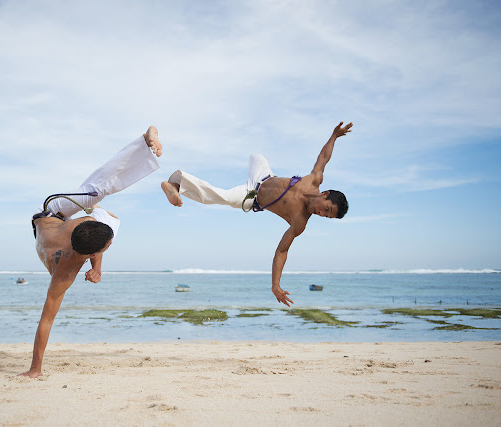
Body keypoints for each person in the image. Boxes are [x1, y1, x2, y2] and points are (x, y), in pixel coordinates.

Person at [19, 126, 163, 378]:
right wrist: (34, 369)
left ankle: (144, 140)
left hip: (53, 211)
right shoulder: (68, 259)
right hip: (52, 225)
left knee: (97, 193)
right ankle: (139, 150)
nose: (107, 248)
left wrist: (97, 267)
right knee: (104, 207)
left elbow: (47, 319)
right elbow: (46, 321)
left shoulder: (73, 239)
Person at [161, 121, 352, 307]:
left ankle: (176, 185)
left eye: (326, 216)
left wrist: (275, 285)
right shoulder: (314, 180)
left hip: (251, 196)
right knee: (256, 155)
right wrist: (334, 135)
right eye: (327, 209)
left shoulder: (300, 221)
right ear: (324, 194)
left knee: (223, 197)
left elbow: (282, 251)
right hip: (263, 176)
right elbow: (324, 157)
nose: (321, 213)